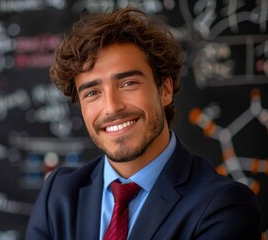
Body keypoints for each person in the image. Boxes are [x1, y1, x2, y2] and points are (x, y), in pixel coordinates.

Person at [25, 6, 261, 240]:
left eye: (128, 83)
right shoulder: (59, 194)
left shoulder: (223, 206)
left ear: (165, 90)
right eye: (92, 93)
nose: (111, 107)